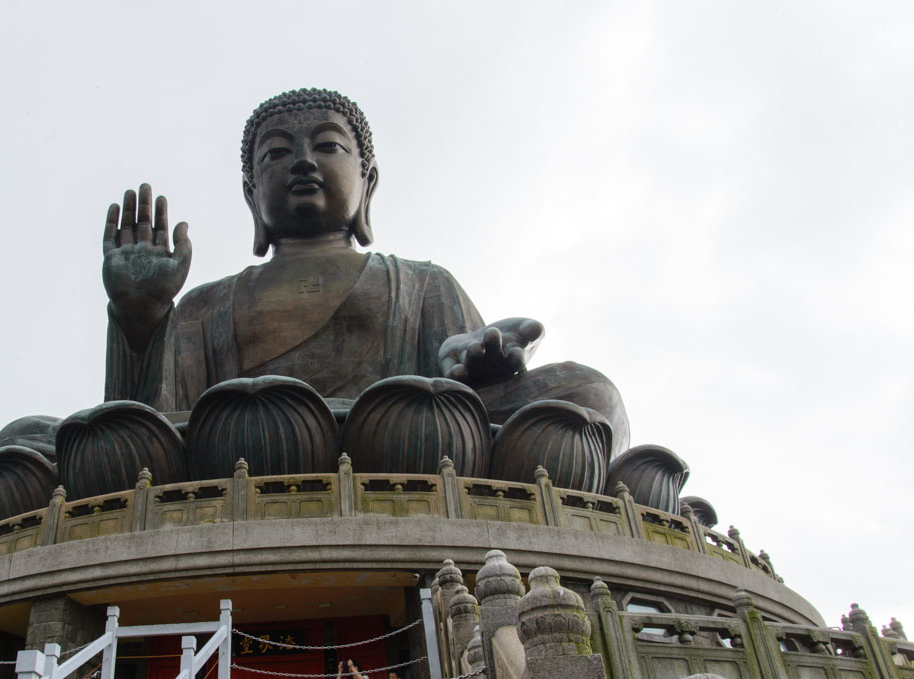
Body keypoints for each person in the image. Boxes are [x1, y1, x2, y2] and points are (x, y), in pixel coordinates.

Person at [100, 88, 627, 453]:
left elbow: (467, 400)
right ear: (250, 193)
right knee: (23, 438)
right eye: (277, 153)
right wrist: (140, 319)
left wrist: (474, 367)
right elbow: (147, 426)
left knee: (590, 395)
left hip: (403, 440)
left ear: (366, 183)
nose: (303, 162)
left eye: (327, 146)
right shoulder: (204, 307)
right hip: (243, 447)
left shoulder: (422, 284)